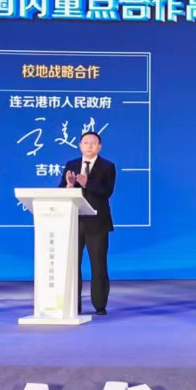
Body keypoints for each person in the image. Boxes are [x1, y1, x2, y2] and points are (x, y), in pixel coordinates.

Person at [62, 130, 115, 315]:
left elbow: (107, 192)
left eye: (93, 143)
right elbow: (61, 190)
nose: (89, 146)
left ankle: (99, 305)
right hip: (74, 222)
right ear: (80, 146)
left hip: (97, 224)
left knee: (98, 266)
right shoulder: (71, 165)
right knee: (72, 266)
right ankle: (73, 305)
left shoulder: (107, 166)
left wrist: (87, 183)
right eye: (86, 143)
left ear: (99, 147)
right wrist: (69, 185)